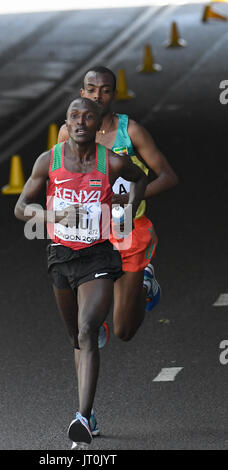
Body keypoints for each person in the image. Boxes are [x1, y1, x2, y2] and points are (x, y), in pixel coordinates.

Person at [14, 97, 147, 449]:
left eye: (88, 116)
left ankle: (82, 418)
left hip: (98, 256)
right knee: (75, 336)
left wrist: (128, 206)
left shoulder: (112, 162)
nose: (81, 122)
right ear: (66, 123)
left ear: (95, 122)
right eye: (74, 116)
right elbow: (20, 208)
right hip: (60, 256)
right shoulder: (49, 160)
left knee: (89, 330)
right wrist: (49, 217)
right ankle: (89, 414)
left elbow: (141, 177)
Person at [58, 66, 179, 347]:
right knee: (85, 315)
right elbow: (62, 181)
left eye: (105, 90)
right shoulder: (68, 133)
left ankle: (145, 282)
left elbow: (168, 176)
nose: (97, 96)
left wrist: (134, 196)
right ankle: (90, 332)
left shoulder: (131, 131)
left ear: (114, 94)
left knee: (125, 330)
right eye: (91, 89)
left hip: (127, 231)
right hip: (91, 235)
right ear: (81, 93)